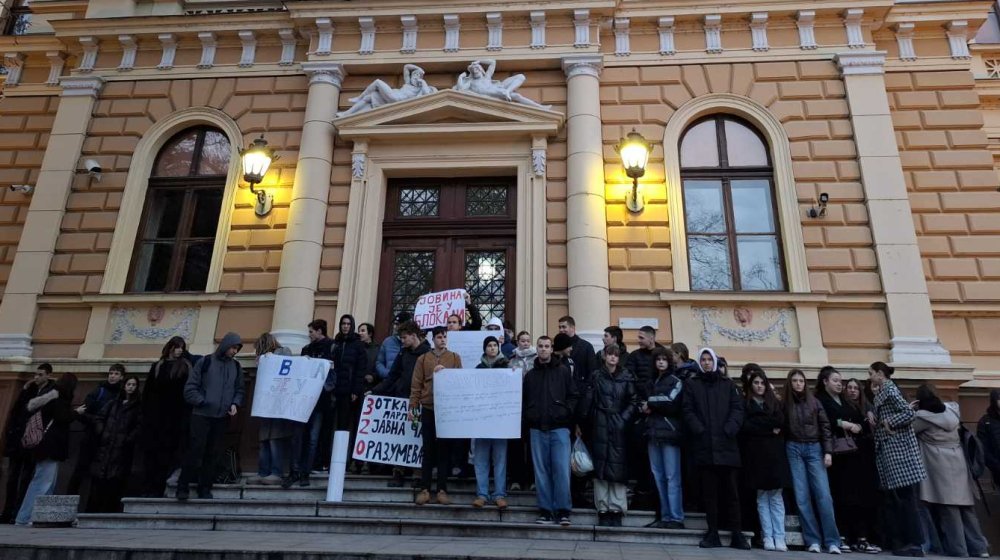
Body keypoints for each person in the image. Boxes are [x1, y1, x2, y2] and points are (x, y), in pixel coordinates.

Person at [681, 348, 749, 549]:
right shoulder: (692, 385)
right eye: (703, 359)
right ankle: (713, 533)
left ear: (716, 362)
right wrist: (699, 429)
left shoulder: (728, 385)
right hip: (705, 447)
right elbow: (687, 410)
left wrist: (730, 428)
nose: (707, 362)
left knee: (732, 494)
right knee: (709, 494)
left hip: (727, 447)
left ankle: (737, 533)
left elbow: (738, 409)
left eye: (710, 359)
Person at [912, 384, 990, 558]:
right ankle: (980, 548)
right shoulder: (952, 412)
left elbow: (907, 430)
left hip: (939, 465)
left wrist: (910, 410)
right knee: (967, 508)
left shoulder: (923, 418)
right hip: (959, 462)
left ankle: (958, 549)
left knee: (949, 509)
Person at [816, 367, 880, 553]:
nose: (839, 384)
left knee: (857, 497)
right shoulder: (820, 399)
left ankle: (861, 537)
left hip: (854, 454)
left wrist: (863, 419)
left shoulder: (844, 400)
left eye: (840, 381)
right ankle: (841, 535)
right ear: (825, 381)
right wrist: (843, 423)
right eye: (835, 380)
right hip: (836, 455)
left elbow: (857, 418)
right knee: (840, 496)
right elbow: (824, 420)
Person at [177, 332, 245, 501]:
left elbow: (239, 389)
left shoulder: (236, 367)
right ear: (225, 345)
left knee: (213, 453)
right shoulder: (205, 362)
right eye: (233, 347)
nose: (234, 351)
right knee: (195, 450)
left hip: (222, 417)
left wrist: (235, 404)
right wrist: (201, 401)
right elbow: (191, 387)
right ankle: (183, 486)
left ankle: (205, 487)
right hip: (201, 415)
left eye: (237, 349)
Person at [869, 361, 927, 558]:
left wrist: (888, 422)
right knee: (902, 498)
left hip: (899, 451)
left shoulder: (890, 391)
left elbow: (909, 412)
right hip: (892, 451)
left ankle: (915, 543)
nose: (870, 377)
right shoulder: (883, 392)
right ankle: (909, 542)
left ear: (879, 374)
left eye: (871, 373)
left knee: (906, 498)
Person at [782, 368, 841, 554]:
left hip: (814, 448)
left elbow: (825, 427)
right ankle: (812, 540)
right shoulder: (785, 404)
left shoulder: (814, 402)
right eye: (795, 381)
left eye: (801, 380)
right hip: (793, 448)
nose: (798, 383)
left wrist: (828, 452)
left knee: (823, 495)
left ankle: (832, 541)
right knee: (802, 497)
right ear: (790, 383)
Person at [523, 335, 579, 526]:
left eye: (547, 346)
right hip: (537, 429)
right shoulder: (530, 375)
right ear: (536, 349)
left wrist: (565, 413)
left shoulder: (563, 371)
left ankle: (563, 510)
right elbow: (524, 400)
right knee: (541, 471)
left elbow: (573, 396)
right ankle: (545, 510)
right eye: (540, 346)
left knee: (562, 470)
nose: (544, 349)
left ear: (551, 348)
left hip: (560, 428)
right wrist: (530, 416)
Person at [373, 319, 430, 487]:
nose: (402, 341)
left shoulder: (427, 353)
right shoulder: (402, 353)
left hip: (420, 401)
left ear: (414, 336)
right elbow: (392, 375)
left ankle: (417, 474)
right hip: (402, 399)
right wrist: (376, 390)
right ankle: (398, 472)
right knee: (400, 437)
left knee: (418, 438)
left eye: (404, 337)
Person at [409, 326, 462, 505]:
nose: (442, 340)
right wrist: (413, 406)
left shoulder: (454, 358)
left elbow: (460, 381)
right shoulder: (423, 359)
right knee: (428, 448)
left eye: (445, 337)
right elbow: (416, 384)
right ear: (433, 339)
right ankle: (425, 488)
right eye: (439, 337)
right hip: (428, 407)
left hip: (446, 409)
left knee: (444, 449)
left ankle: (442, 489)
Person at [15, 372, 77, 526]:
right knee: (43, 482)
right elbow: (63, 417)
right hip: (50, 446)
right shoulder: (59, 398)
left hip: (44, 446)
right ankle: (27, 517)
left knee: (45, 481)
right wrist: (76, 412)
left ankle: (34, 516)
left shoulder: (50, 396)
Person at [740, 369, 790, 552]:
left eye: (762, 383)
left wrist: (763, 426)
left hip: (775, 455)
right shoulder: (746, 404)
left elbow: (780, 423)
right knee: (762, 497)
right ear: (750, 385)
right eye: (756, 383)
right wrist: (769, 428)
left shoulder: (774, 403)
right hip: (756, 455)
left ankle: (780, 536)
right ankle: (767, 535)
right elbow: (746, 426)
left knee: (776, 498)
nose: (759, 386)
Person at [589, 344, 638, 527]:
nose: (612, 358)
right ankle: (602, 507)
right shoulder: (596, 375)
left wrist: (623, 419)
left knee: (618, 468)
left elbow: (633, 400)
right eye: (609, 354)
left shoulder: (626, 377)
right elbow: (590, 399)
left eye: (615, 355)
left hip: (618, 424)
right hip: (600, 422)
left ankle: (616, 507)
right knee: (601, 466)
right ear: (604, 356)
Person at [2, 363, 56, 523]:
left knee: (26, 478)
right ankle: (7, 511)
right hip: (18, 440)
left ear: (48, 375)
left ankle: (18, 511)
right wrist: (25, 390)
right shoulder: (29, 390)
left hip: (33, 441)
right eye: (36, 375)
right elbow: (17, 411)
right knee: (12, 478)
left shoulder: (51, 393)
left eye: (40, 375)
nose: (36, 377)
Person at [140, 337, 192, 497]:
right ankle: (149, 487)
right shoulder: (158, 366)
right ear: (170, 348)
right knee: (152, 454)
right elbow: (148, 391)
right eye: (176, 347)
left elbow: (186, 393)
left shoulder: (185, 367)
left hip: (175, 418)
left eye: (182, 347)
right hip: (156, 418)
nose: (179, 350)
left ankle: (160, 486)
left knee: (168, 454)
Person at [86, 375, 142, 513]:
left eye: (134, 385)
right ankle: (94, 509)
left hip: (122, 449)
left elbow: (139, 426)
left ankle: (109, 509)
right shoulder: (113, 403)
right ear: (124, 386)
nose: (131, 387)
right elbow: (99, 418)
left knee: (115, 480)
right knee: (99, 479)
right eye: (129, 384)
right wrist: (102, 432)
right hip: (106, 447)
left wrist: (128, 439)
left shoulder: (137, 407)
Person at [290, 319, 335, 486]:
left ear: (319, 331)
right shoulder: (306, 350)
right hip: (303, 400)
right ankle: (295, 470)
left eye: (311, 332)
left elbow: (333, 372)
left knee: (313, 439)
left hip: (320, 401)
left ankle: (305, 472)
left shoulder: (331, 347)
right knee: (298, 437)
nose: (309, 335)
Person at [643, 346, 684, 529]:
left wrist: (651, 402)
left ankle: (676, 517)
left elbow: (671, 402)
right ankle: (665, 516)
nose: (660, 362)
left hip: (669, 434)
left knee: (672, 477)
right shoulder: (652, 382)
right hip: (653, 432)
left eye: (664, 359)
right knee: (658, 476)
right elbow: (642, 402)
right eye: (658, 359)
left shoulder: (676, 380)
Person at [841, 378, 884, 553]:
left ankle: (864, 537)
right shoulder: (843, 408)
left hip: (866, 460)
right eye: (849, 388)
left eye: (855, 388)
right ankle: (851, 536)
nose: (852, 391)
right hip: (847, 459)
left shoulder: (869, 410)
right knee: (850, 500)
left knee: (866, 501)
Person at [68, 363, 124, 494]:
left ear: (122, 377)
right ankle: (69, 497)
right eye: (111, 373)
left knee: (100, 472)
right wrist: (98, 423)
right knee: (81, 468)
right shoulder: (99, 391)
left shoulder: (121, 395)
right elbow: (83, 412)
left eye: (116, 374)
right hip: (92, 435)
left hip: (109, 440)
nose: (112, 376)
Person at [250, 333, 294, 485]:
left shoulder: (283, 351)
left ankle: (276, 471)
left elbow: (288, 366)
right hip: (265, 404)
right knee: (264, 439)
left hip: (278, 404)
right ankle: (263, 472)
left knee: (275, 438)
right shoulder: (262, 358)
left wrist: (270, 359)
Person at [473, 336, 510, 509]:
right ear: (485, 348)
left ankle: (499, 494)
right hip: (481, 420)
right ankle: (482, 493)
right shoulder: (478, 369)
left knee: (500, 459)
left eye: (495, 345)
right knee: (481, 459)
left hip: (501, 421)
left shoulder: (507, 367)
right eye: (489, 345)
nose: (493, 348)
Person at [507, 330, 536, 491]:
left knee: (532, 445)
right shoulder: (511, 360)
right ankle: (516, 479)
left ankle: (532, 479)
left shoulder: (537, 359)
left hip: (531, 407)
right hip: (515, 408)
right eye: (522, 340)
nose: (525, 343)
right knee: (516, 446)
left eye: (527, 340)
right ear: (517, 342)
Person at [355, 322, 380, 474]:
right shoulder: (357, 348)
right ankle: (355, 461)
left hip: (372, 392)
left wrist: (374, 377)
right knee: (357, 426)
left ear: (370, 333)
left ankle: (367, 462)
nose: (360, 333)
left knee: (369, 426)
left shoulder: (377, 349)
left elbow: (380, 365)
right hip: (357, 391)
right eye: (359, 331)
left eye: (363, 331)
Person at [376, 312, 410, 380]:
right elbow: (379, 362)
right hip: (388, 383)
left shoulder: (412, 342)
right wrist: (387, 374)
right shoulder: (388, 341)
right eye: (394, 324)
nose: (395, 327)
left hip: (404, 384)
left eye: (398, 324)